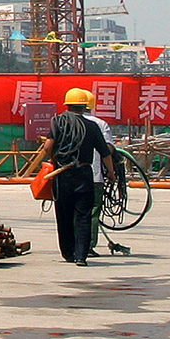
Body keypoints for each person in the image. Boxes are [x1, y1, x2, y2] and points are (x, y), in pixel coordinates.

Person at [41, 87, 114, 266]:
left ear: (67, 105)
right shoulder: (92, 126)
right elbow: (105, 152)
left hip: (62, 174)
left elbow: (48, 147)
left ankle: (68, 253)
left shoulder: (58, 122)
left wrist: (55, 159)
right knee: (83, 215)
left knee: (64, 215)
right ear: (84, 107)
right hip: (84, 174)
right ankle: (81, 256)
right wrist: (111, 173)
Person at [82, 89, 118, 256]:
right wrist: (111, 172)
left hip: (69, 175)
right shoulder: (100, 124)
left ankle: (71, 246)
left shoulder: (62, 122)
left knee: (72, 211)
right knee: (93, 211)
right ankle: (87, 246)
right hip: (95, 176)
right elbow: (108, 150)